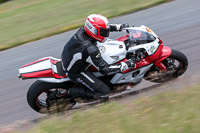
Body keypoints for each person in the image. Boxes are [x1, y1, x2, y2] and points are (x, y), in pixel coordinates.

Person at [61, 14, 135, 102]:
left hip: (70, 55)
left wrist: (120, 27)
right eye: (103, 32)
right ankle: (71, 92)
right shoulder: (90, 49)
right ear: (94, 31)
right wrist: (125, 65)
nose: (106, 34)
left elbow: (104, 27)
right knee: (104, 92)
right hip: (76, 71)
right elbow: (105, 70)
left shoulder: (84, 30)